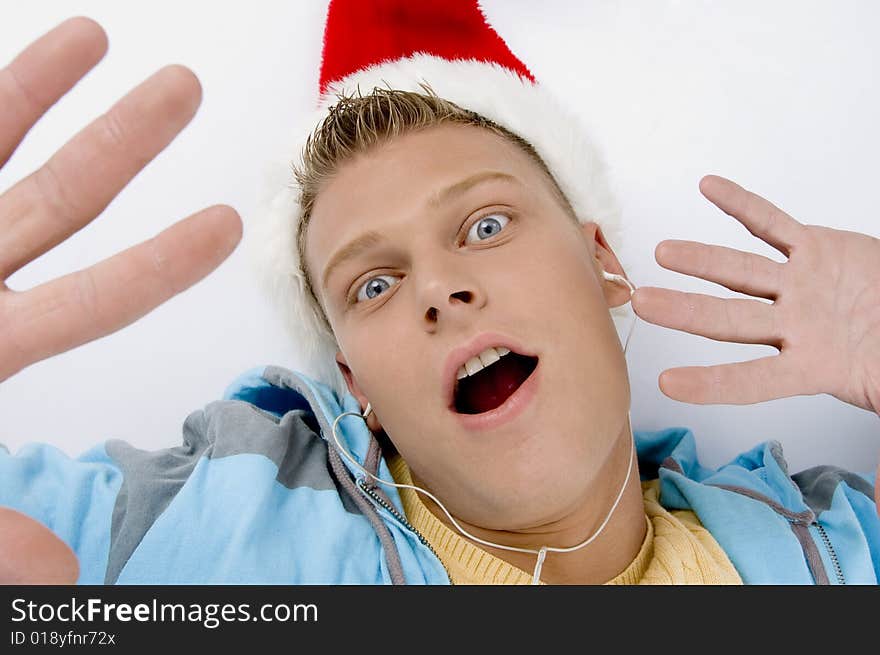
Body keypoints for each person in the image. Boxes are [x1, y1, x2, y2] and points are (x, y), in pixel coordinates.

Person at [1, 3, 878, 586]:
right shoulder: (213, 528)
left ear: (603, 263)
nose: (440, 288)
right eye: (374, 282)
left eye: (486, 225)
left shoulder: (841, 550)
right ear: (357, 386)